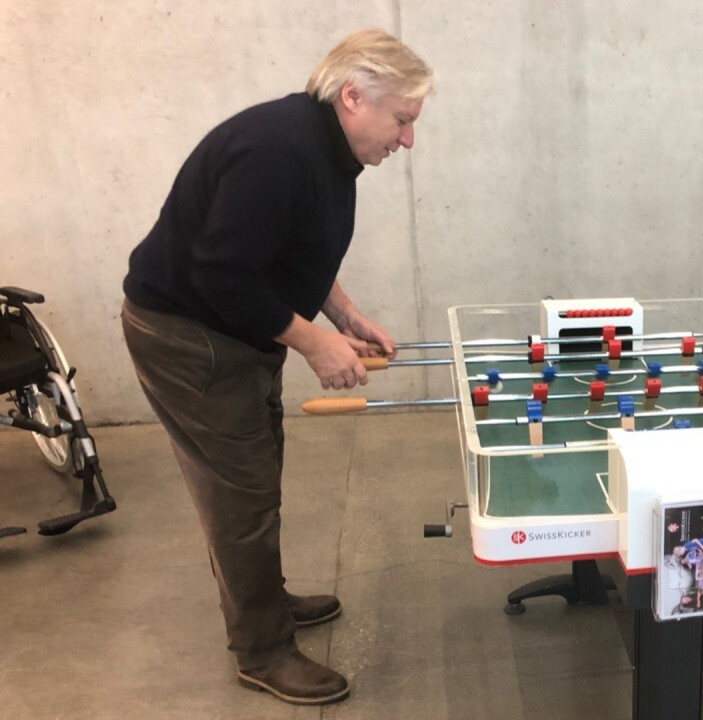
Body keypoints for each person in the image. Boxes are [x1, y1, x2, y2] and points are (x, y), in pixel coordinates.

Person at [120, 29, 432, 705]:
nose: (407, 141)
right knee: (240, 495)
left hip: (233, 329)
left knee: (258, 472)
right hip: (188, 335)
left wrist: (344, 315)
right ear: (354, 97)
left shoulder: (327, 147)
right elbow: (222, 274)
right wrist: (314, 343)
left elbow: (294, 249)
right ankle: (261, 650)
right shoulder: (279, 151)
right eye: (403, 121)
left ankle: (266, 598)